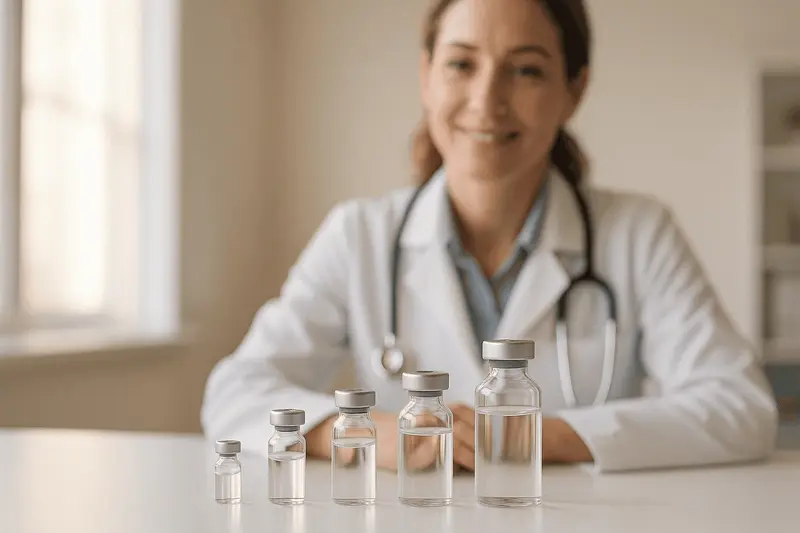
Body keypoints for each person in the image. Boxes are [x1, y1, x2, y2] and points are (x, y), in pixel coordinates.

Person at [200, 0, 778, 473]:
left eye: (526, 69)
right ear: (426, 77)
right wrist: (369, 433)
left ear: (573, 91)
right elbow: (235, 393)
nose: (487, 99)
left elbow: (741, 408)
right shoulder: (360, 235)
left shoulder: (638, 233)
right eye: (461, 64)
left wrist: (541, 437)